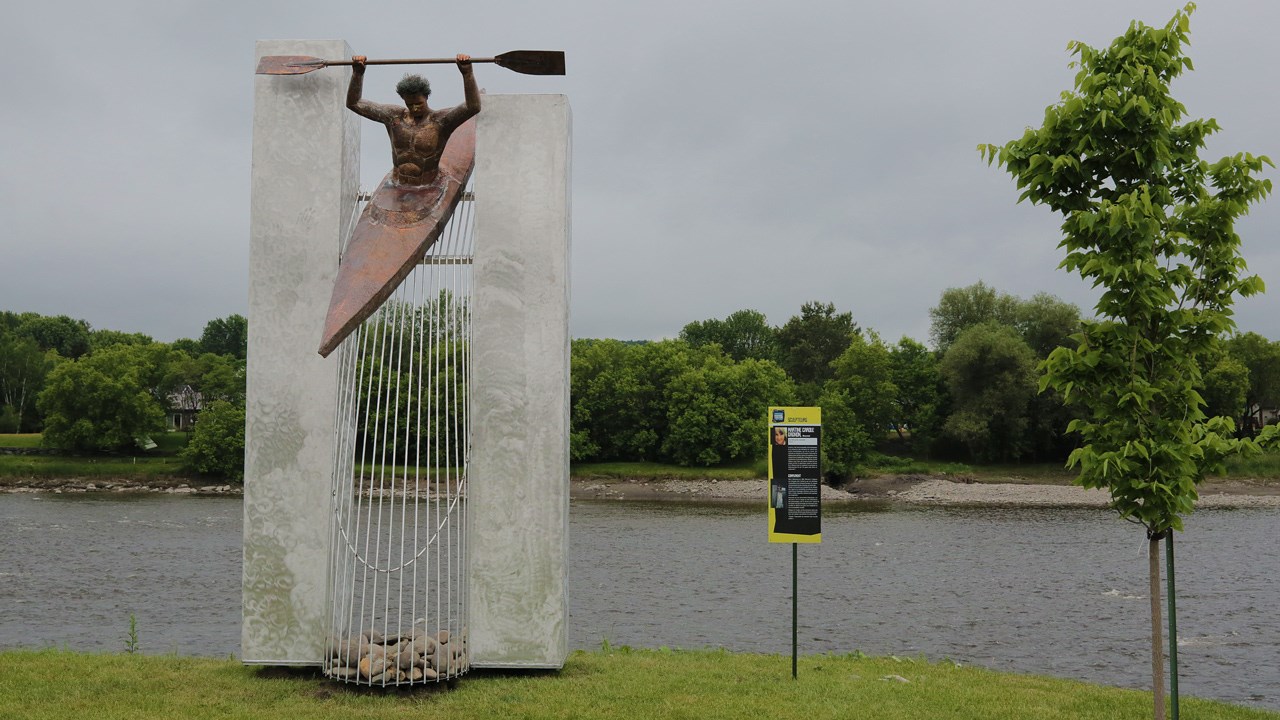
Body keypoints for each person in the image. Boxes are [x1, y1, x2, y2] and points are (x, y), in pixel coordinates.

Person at [346, 53, 481, 186]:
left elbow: (472, 107)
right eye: (409, 104)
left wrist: (467, 73)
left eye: (419, 103)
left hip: (428, 185)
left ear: (427, 97)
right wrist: (357, 74)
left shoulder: (440, 121)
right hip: (398, 183)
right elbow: (354, 103)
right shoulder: (393, 116)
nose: (415, 108)